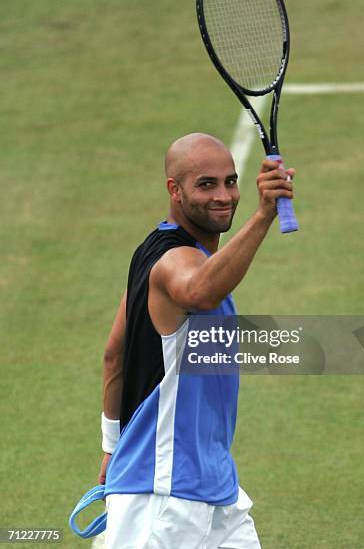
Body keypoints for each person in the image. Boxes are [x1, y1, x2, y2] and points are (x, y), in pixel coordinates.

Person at [99, 132, 295, 549]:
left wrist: (111, 447)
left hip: (215, 490)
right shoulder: (174, 261)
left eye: (230, 181)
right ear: (175, 189)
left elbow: (113, 355)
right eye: (206, 184)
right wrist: (262, 217)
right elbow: (198, 292)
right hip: (162, 495)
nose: (223, 195)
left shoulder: (150, 251)